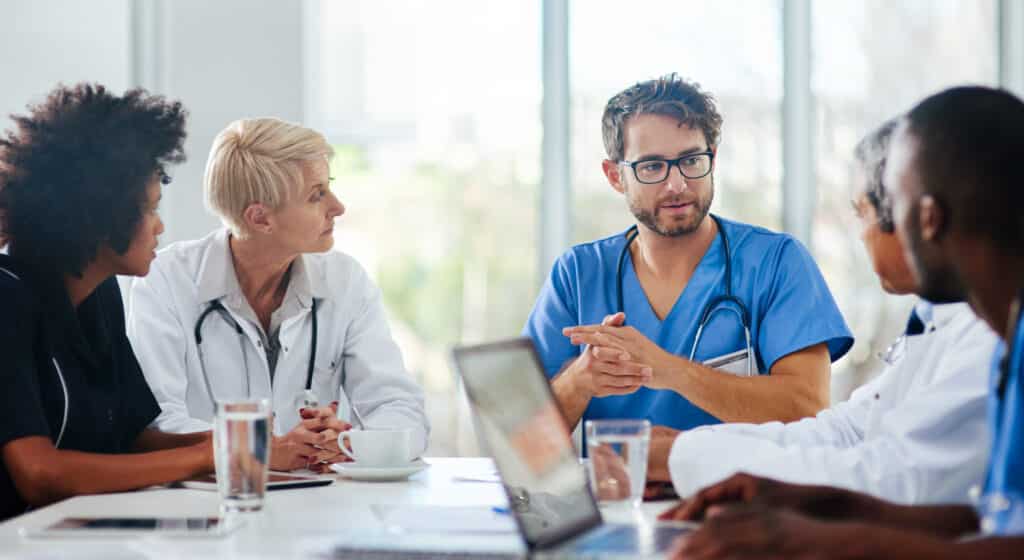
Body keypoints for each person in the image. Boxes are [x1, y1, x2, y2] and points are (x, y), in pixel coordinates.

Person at [662, 86, 1024, 558]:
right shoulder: (1007, 344)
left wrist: (828, 539)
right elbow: (996, 517)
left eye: (889, 205)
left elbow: (914, 481)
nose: (880, 228)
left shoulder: (994, 344)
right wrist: (818, 503)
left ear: (929, 218)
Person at [523, 74, 853, 437]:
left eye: (691, 160)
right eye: (651, 167)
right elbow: (521, 440)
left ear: (712, 158)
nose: (677, 184)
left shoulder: (775, 262)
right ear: (616, 176)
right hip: (618, 494)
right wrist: (578, 382)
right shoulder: (579, 275)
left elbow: (807, 409)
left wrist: (669, 370)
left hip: (740, 493)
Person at [127, 117, 429, 470]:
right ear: (260, 219)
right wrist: (265, 449)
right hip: (210, 507)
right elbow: (157, 423)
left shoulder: (346, 282)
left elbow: (401, 409)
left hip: (321, 506)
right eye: (317, 195)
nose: (338, 206)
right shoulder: (164, 280)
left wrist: (348, 443)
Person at [0, 83, 215, 521]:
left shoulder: (101, 295)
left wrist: (246, 443)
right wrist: (205, 457)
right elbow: (39, 473)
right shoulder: (5, 299)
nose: (160, 227)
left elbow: (130, 439)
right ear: (98, 214)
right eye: (151, 209)